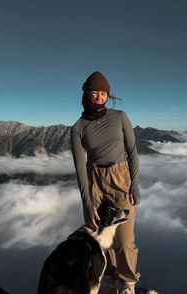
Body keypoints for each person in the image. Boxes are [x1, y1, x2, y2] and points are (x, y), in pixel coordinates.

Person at [70, 71, 141, 294]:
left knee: (124, 241)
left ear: (107, 96)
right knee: (102, 236)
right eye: (95, 92)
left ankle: (128, 283)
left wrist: (135, 184)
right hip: (94, 180)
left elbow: (132, 152)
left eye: (103, 93)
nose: (99, 97)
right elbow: (80, 167)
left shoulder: (120, 117)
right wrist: (87, 203)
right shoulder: (78, 128)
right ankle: (110, 279)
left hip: (120, 177)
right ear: (87, 94)